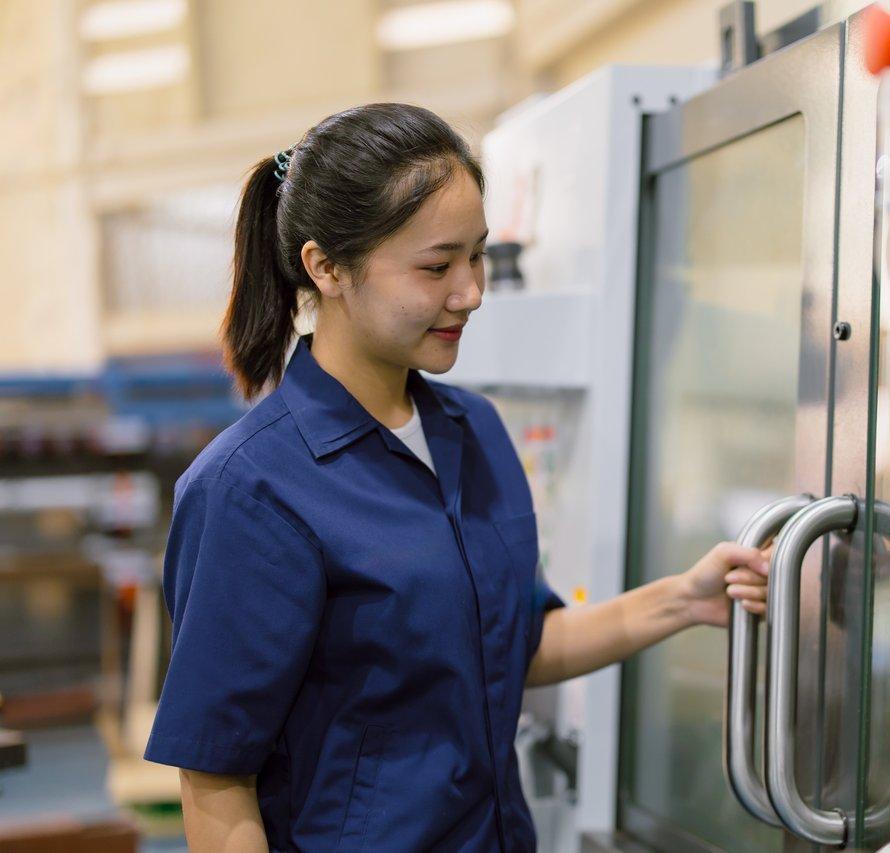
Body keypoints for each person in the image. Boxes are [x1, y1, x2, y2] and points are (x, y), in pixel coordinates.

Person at [142, 102, 771, 852]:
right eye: (437, 266)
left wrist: (682, 598)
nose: (471, 291)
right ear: (326, 267)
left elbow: (517, 642)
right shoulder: (253, 489)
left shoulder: (472, 431)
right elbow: (215, 780)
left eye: (478, 255)